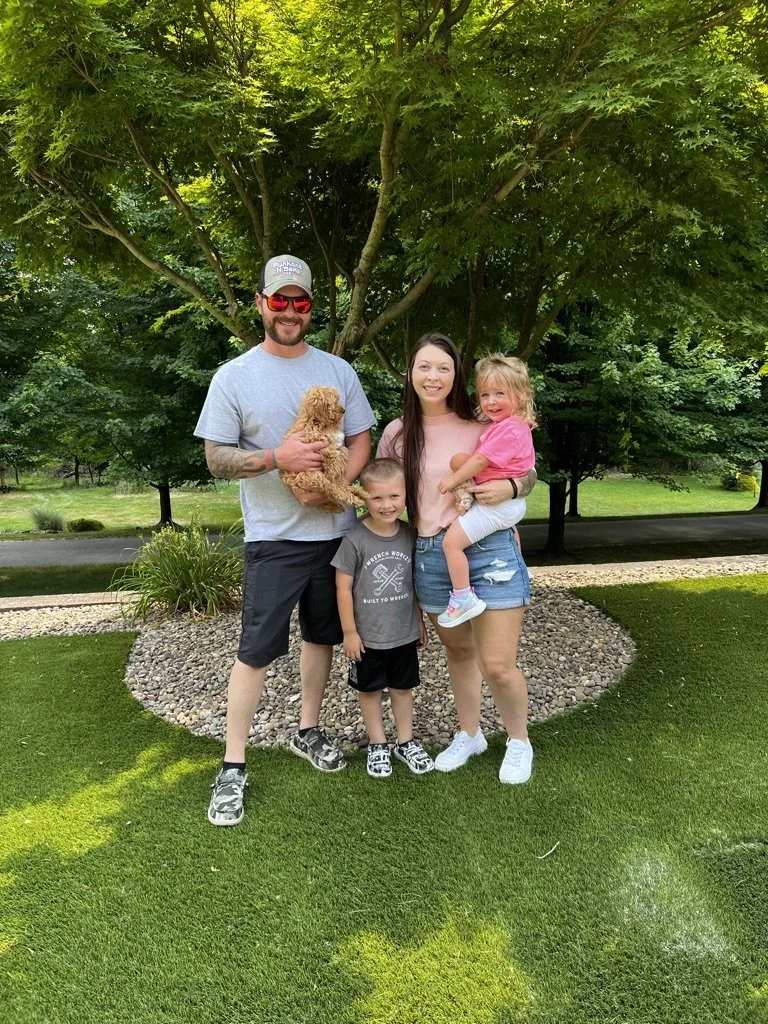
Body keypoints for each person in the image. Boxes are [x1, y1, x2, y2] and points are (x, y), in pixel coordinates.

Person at [195, 254, 375, 826]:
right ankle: (233, 765)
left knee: (321, 637)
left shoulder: (338, 371)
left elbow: (362, 439)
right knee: (255, 650)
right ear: (261, 304)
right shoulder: (234, 376)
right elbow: (216, 458)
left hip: (336, 536)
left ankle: (307, 729)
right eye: (280, 301)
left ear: (311, 308)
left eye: (300, 302)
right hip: (273, 539)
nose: (290, 311)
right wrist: (278, 457)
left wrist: (332, 489)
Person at [377, 332, 537, 784]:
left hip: (489, 551)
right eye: (424, 366)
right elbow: (383, 500)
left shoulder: (482, 421)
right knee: (460, 652)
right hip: (430, 555)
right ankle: (470, 733)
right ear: (410, 373)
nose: (433, 376)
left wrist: (513, 487)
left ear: (456, 375)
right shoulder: (396, 434)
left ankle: (519, 741)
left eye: (443, 368)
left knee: (498, 664)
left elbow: (525, 470)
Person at [331, 458, 433, 779]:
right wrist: (349, 632)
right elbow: (342, 588)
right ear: (363, 498)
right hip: (367, 637)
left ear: (406, 496)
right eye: (377, 497)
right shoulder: (355, 539)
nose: (386, 505)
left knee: (403, 689)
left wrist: (419, 620)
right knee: (370, 690)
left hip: (402, 632)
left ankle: (405, 741)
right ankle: (378, 743)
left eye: (394, 496)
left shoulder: (410, 535)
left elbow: (413, 583)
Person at [436, 354, 536, 628]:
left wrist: (453, 481)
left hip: (497, 504)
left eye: (500, 393)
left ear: (522, 395)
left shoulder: (509, 429)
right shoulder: (509, 425)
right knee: (460, 460)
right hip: (503, 505)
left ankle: (462, 597)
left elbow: (480, 461)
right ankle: (521, 568)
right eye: (485, 395)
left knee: (451, 544)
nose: (491, 401)